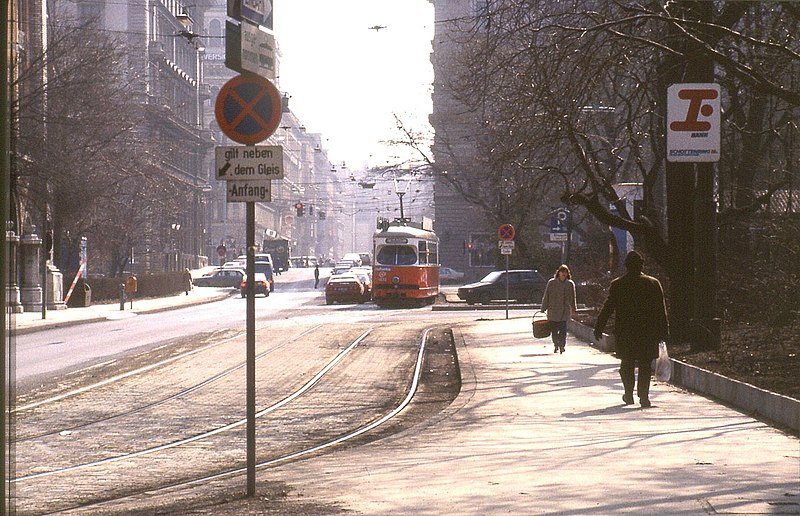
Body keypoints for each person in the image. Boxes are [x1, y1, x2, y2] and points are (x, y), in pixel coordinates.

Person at [594, 250, 669, 408]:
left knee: (626, 364)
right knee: (645, 366)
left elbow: (608, 308)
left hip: (625, 333)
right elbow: (661, 311)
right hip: (647, 333)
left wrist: (599, 327)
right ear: (642, 265)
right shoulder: (653, 283)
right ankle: (644, 397)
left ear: (626, 266)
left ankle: (628, 394)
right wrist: (664, 331)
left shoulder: (618, 284)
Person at [540, 264, 577, 354]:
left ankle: (562, 345)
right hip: (553, 310)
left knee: (563, 330)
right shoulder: (551, 283)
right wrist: (543, 307)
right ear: (558, 273)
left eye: (565, 272)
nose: (564, 274)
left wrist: (574, 308)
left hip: (565, 310)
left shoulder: (570, 284)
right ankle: (556, 344)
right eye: (562, 272)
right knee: (554, 330)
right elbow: (546, 296)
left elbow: (573, 297)